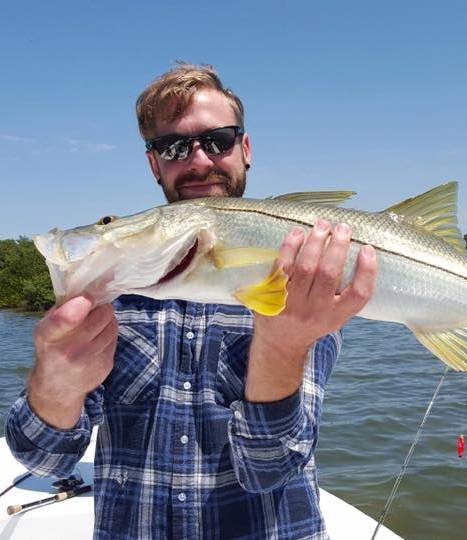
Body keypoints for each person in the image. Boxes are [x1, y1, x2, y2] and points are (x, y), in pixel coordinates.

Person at [5, 62, 377, 539]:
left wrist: (282, 347)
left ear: (245, 149)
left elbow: (270, 469)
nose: (199, 161)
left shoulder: (303, 270)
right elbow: (43, 458)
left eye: (218, 140)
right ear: (153, 163)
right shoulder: (111, 291)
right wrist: (55, 384)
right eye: (174, 147)